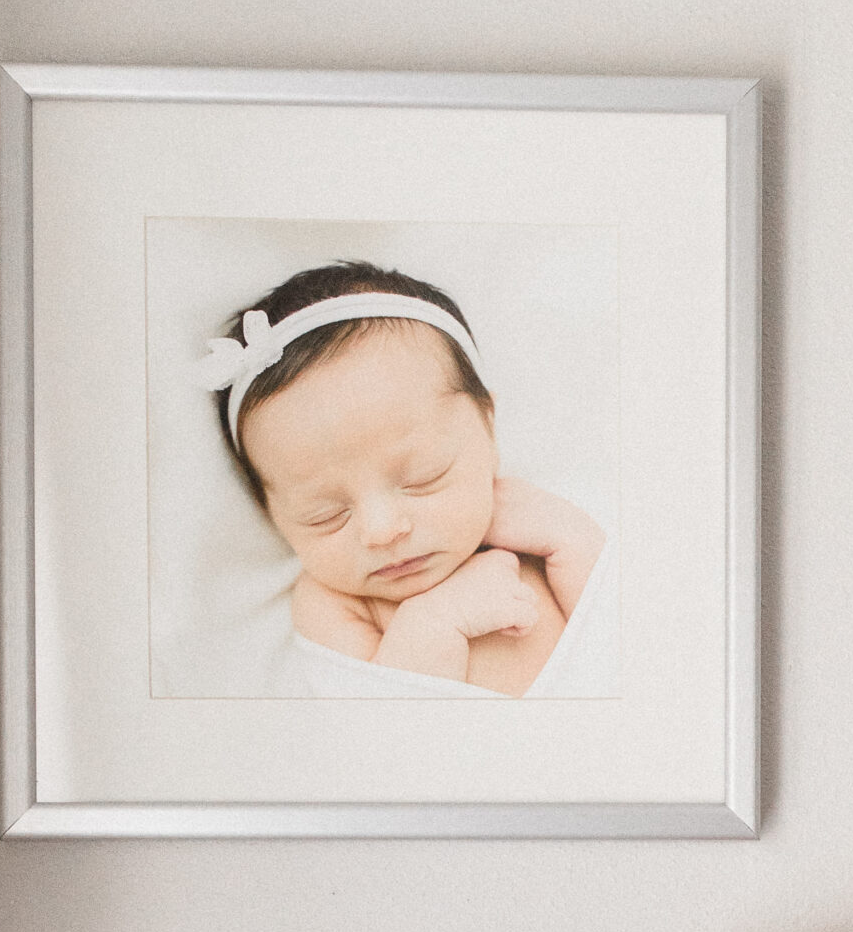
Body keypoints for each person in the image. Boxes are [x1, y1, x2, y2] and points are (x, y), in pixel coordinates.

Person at [196, 262, 612, 698]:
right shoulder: (335, 605)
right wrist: (436, 622)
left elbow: (645, 649)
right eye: (326, 515)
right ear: (272, 514)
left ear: (487, 427)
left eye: (423, 479)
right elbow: (378, 733)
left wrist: (579, 547)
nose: (382, 531)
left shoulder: (541, 522)